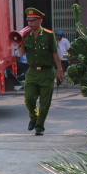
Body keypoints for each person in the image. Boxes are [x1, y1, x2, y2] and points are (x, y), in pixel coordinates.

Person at [17, 8, 62, 136]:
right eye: (28, 20)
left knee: (45, 102)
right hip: (32, 72)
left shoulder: (48, 35)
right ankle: (33, 117)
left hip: (47, 73)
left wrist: (60, 70)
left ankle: (39, 126)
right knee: (29, 98)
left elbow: (54, 53)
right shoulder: (25, 35)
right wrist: (21, 44)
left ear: (40, 20)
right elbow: (21, 53)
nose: (30, 23)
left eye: (33, 20)